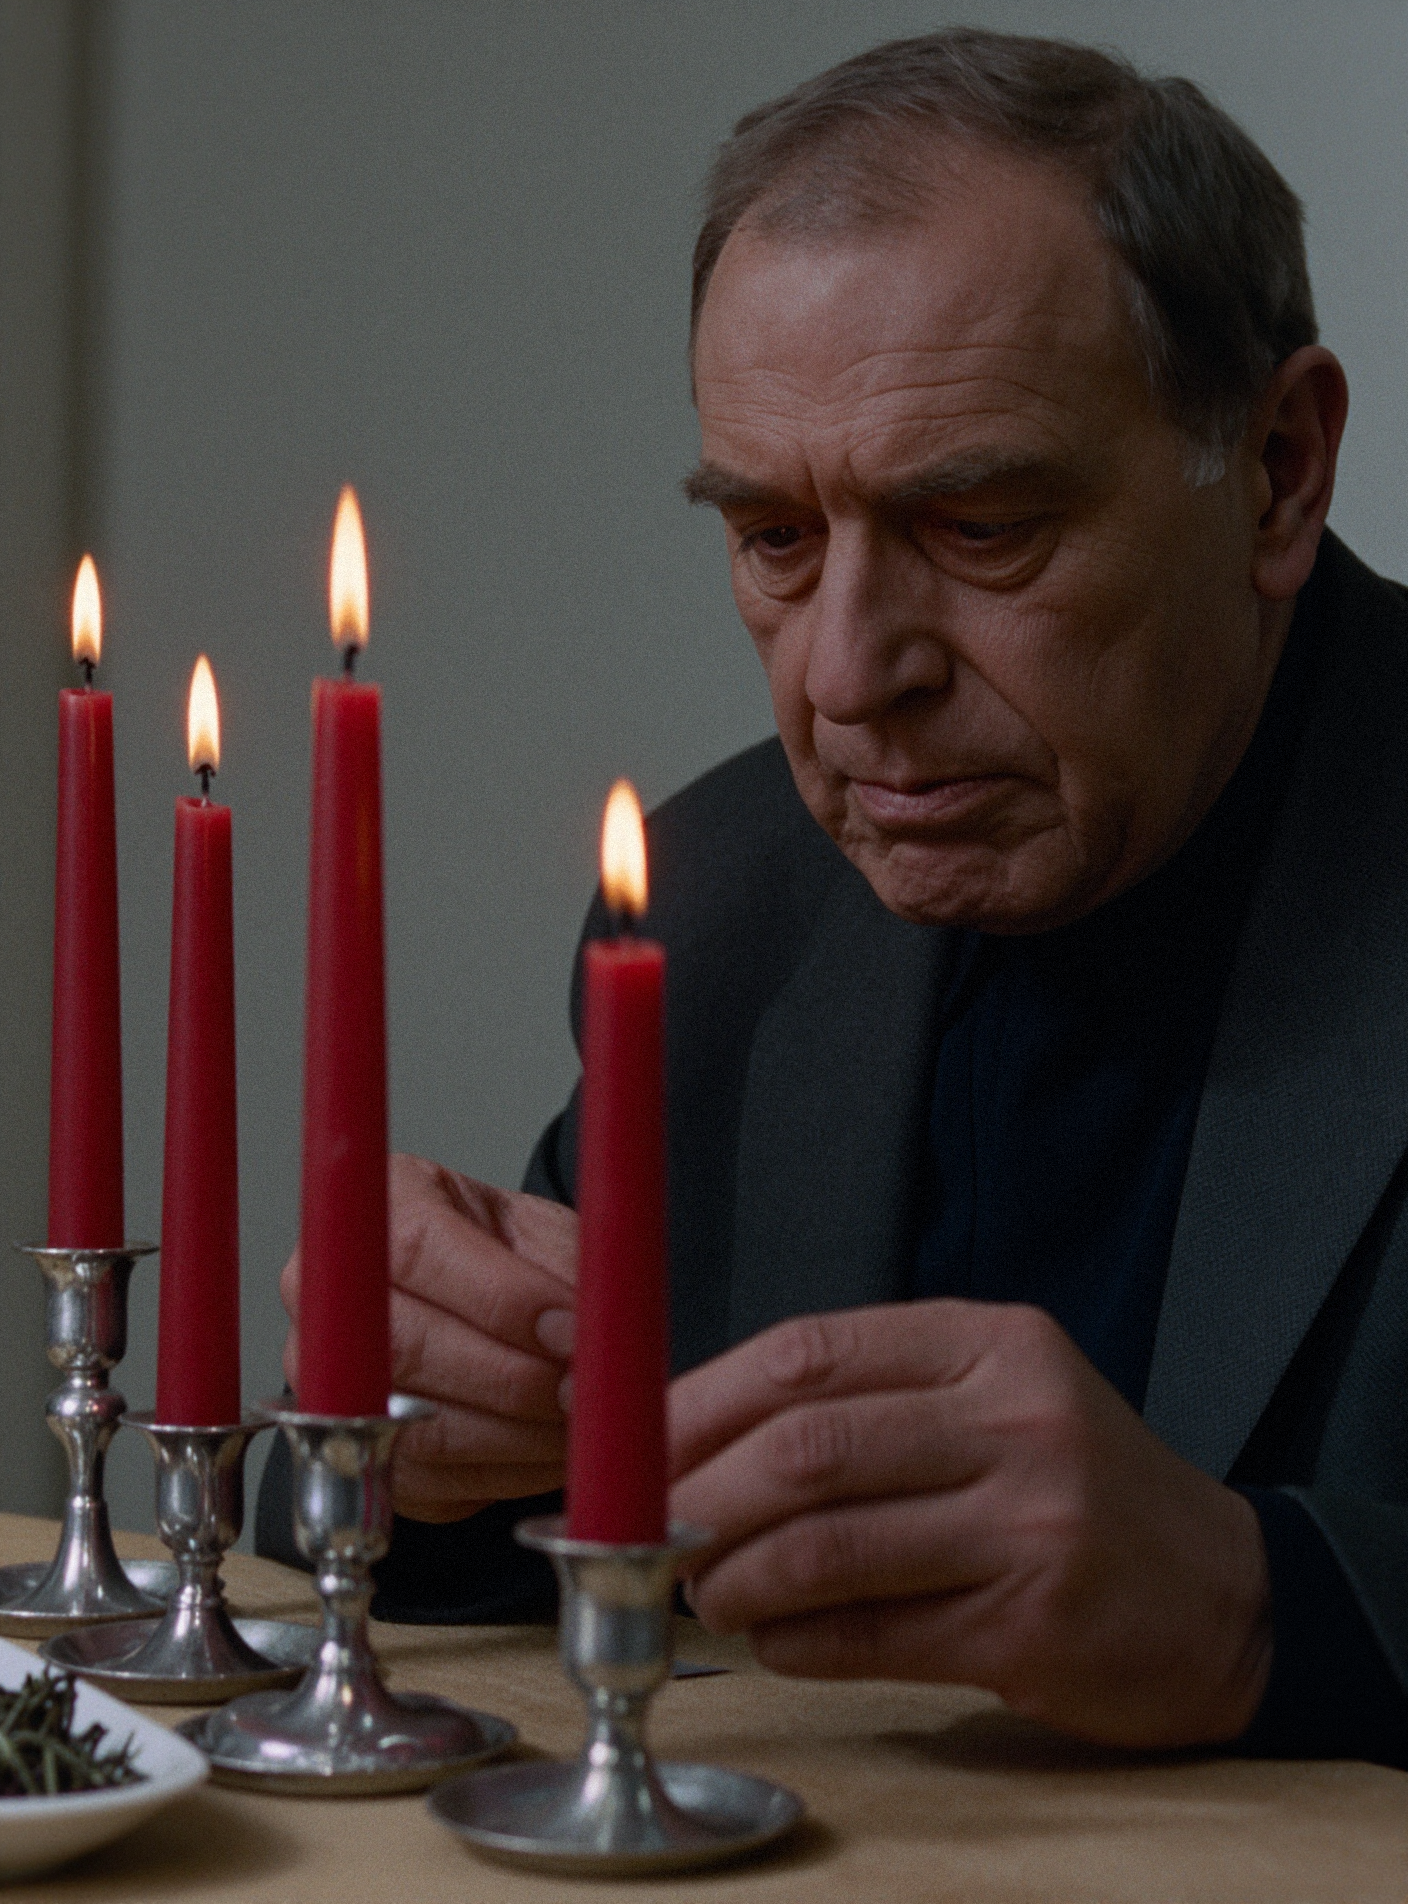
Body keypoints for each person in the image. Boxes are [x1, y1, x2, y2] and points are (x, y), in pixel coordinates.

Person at [259, 29, 1408, 1762]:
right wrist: (402, 1430)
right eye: (775, 540)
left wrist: (1262, 1604)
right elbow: (515, 1527)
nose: (851, 675)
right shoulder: (723, 911)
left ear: (1277, 471)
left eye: (982, 526)